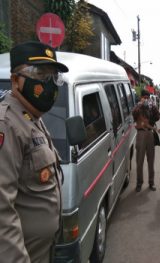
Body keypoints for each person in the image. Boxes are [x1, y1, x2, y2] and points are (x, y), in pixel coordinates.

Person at [0, 41, 68, 262]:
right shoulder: (7, 124)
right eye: (40, 75)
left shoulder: (32, 117)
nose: (49, 84)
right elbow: (2, 213)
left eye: (53, 77)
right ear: (15, 81)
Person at [132, 89, 160, 192]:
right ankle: (139, 183)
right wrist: (140, 105)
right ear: (141, 97)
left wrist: (152, 108)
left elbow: (158, 117)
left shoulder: (152, 106)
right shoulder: (137, 106)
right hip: (140, 133)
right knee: (139, 161)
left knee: (150, 160)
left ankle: (151, 183)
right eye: (144, 97)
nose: (146, 99)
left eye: (147, 97)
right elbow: (134, 115)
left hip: (150, 133)